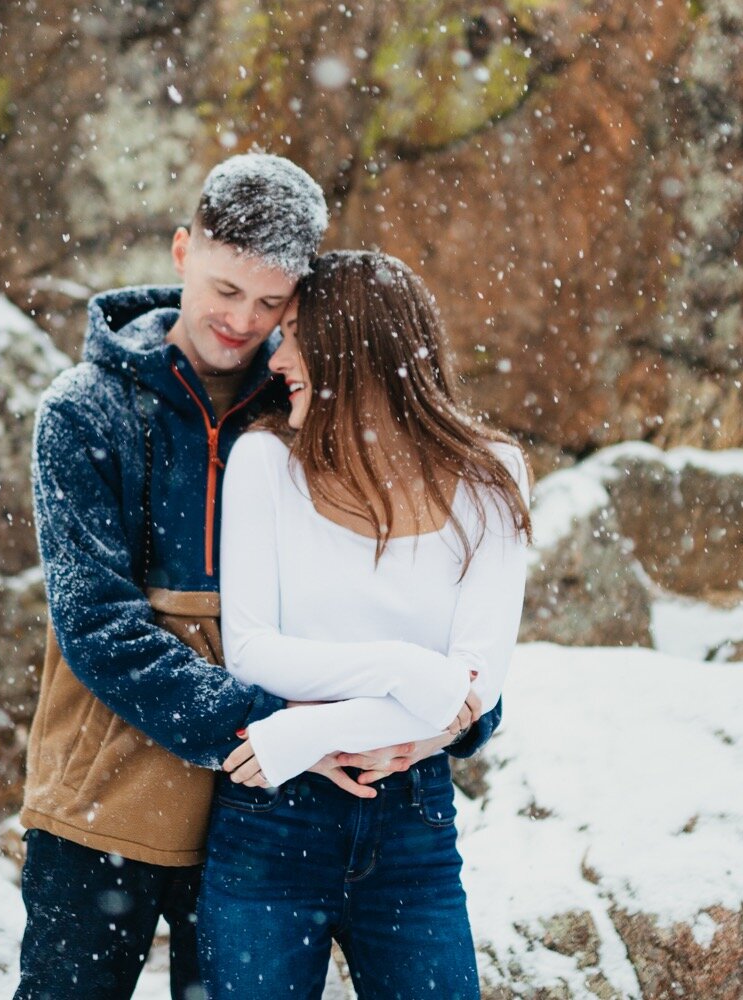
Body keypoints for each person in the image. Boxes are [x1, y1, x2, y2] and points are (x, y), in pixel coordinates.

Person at [19, 157, 503, 999]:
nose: (243, 321)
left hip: (252, 817)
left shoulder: (301, 406)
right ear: (182, 253)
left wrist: (453, 709)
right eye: (224, 288)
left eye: (271, 302)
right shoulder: (85, 410)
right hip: (109, 798)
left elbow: (397, 589)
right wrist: (287, 730)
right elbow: (98, 624)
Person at [198, 250, 533, 998]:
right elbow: (252, 654)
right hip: (270, 826)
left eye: (292, 334)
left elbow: (475, 690)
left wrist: (312, 731)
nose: (275, 355)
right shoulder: (264, 463)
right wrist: (406, 674)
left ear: (354, 347)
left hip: (411, 824)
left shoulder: (493, 477)